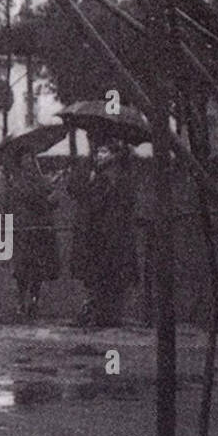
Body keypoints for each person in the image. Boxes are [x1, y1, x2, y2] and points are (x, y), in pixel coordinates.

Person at [68, 136, 138, 328]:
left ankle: (105, 314)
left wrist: (92, 184)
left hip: (110, 233)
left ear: (114, 155)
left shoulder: (113, 177)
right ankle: (101, 313)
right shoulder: (100, 175)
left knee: (109, 274)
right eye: (98, 151)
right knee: (102, 274)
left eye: (104, 151)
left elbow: (99, 203)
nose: (99, 155)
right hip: (101, 233)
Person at [0, 149, 60, 319]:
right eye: (28, 159)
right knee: (25, 268)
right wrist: (49, 189)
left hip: (35, 230)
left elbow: (49, 203)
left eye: (32, 158)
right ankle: (24, 302)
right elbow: (35, 200)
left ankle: (30, 301)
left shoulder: (26, 180)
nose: (31, 162)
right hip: (26, 230)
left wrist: (50, 191)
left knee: (33, 268)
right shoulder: (21, 181)